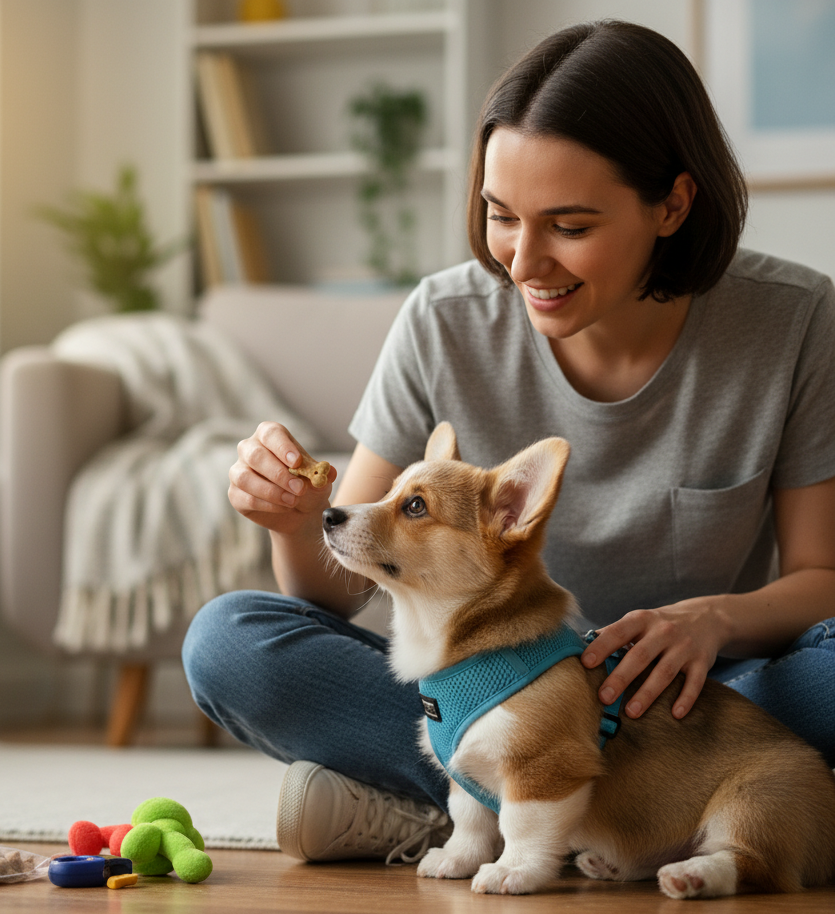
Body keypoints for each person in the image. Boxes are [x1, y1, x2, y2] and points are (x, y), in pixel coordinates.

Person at [182, 20, 835, 865]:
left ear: (672, 204)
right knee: (230, 642)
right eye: (500, 216)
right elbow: (333, 592)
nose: (524, 261)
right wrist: (293, 520)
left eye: (569, 225)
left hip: (695, 712)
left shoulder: (795, 320)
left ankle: (484, 811)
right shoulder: (442, 320)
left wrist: (713, 619)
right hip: (479, 699)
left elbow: (822, 580)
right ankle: (523, 811)